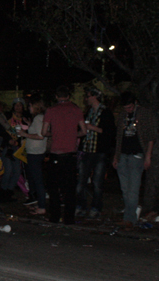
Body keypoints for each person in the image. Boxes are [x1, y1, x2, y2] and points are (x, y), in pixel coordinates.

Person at [42, 85, 86, 225]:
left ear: (56, 96)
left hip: (56, 154)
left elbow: (44, 132)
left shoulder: (51, 110)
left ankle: (54, 216)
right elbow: (84, 131)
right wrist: (73, 135)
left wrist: (53, 133)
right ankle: (69, 218)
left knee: (53, 187)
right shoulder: (76, 110)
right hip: (70, 155)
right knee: (70, 188)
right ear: (68, 96)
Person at [112, 92, 157, 226]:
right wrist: (116, 156)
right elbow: (118, 138)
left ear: (135, 103)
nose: (128, 110)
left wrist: (148, 156)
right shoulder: (122, 116)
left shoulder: (144, 114)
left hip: (136, 155)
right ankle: (129, 215)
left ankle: (129, 218)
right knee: (125, 188)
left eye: (130, 107)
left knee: (133, 189)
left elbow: (150, 137)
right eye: (126, 108)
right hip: (122, 155)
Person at [75, 87, 115, 219]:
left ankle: (96, 208)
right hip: (86, 151)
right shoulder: (88, 112)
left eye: (88, 96)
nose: (86, 99)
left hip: (99, 152)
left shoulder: (106, 112)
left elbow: (109, 132)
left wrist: (93, 128)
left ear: (94, 97)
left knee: (97, 183)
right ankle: (80, 206)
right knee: (80, 181)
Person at [18, 98, 48, 215]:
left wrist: (24, 134)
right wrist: (30, 125)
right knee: (34, 180)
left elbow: (41, 136)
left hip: (36, 153)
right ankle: (38, 203)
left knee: (37, 180)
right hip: (34, 152)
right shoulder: (38, 119)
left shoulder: (39, 118)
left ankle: (42, 206)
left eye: (30, 106)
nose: (28, 108)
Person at [0, 99, 30, 203]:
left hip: (18, 148)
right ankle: (2, 192)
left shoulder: (26, 119)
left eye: (20, 105)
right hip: (7, 146)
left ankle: (8, 192)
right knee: (8, 170)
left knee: (17, 171)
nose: (18, 107)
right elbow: (2, 130)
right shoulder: (7, 117)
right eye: (16, 105)